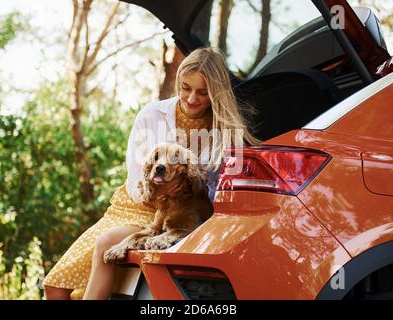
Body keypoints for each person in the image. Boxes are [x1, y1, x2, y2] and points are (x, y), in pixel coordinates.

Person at [42, 47, 260, 300]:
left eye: (203, 92)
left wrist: (188, 191)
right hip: (133, 208)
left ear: (216, 93)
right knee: (54, 286)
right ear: (178, 81)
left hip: (178, 215)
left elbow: (221, 192)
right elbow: (135, 177)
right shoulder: (152, 115)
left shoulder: (226, 132)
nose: (191, 99)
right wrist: (155, 193)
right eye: (185, 88)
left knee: (105, 245)